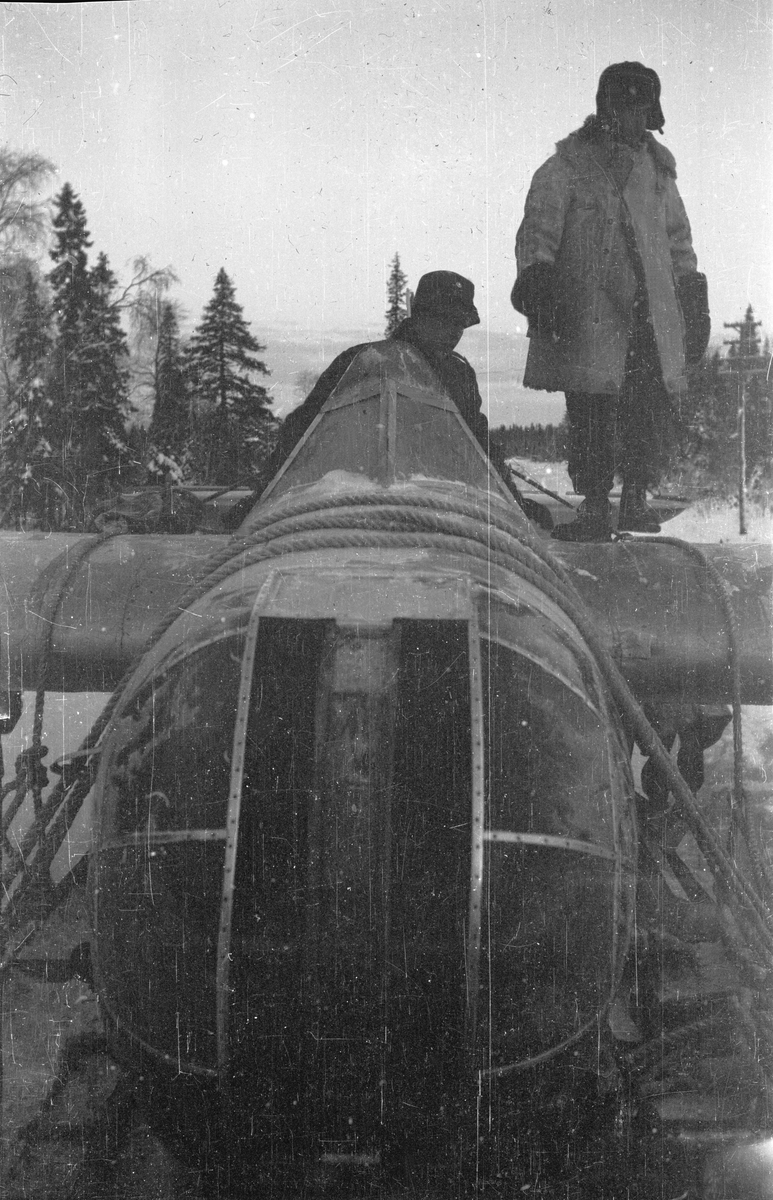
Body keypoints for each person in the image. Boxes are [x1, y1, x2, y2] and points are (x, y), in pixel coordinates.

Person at [511, 62, 710, 541]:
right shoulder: (566, 168)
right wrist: (538, 284)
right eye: (624, 107)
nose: (633, 118)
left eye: (642, 108)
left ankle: (635, 500)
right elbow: (537, 233)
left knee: (646, 411)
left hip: (650, 316)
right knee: (591, 412)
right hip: (589, 312)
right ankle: (596, 507)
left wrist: (692, 298)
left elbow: (678, 241)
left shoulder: (658, 173)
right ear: (605, 109)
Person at [269, 270, 552, 529]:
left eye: (460, 323)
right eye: (443, 319)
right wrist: (264, 493)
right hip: (354, 500)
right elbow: (303, 430)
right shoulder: (363, 361)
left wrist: (515, 503)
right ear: (419, 316)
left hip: (439, 502)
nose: (454, 332)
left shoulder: (459, 374)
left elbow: (478, 445)